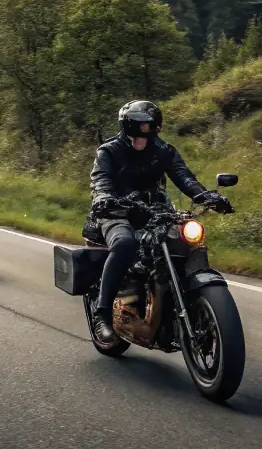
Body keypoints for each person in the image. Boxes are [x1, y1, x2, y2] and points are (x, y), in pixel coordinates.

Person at [86, 100, 232, 348]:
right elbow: (100, 181)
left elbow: (184, 177)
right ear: (129, 125)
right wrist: (104, 199)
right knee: (124, 244)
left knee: (186, 241)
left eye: (151, 124)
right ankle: (102, 316)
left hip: (154, 210)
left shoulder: (163, 150)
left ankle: (181, 301)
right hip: (116, 212)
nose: (147, 129)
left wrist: (208, 196)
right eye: (143, 124)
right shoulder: (109, 151)